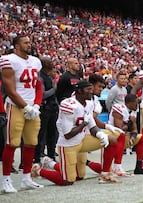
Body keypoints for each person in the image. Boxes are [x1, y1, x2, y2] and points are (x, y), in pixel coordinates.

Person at [31, 80, 120, 185]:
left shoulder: (89, 103)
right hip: (68, 144)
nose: (91, 92)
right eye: (88, 89)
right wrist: (84, 123)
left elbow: (92, 126)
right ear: (79, 91)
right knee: (68, 180)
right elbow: (68, 134)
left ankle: (105, 174)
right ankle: (39, 171)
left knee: (112, 140)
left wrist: (100, 134)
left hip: (82, 139)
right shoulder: (68, 104)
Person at [0, 35, 43, 193]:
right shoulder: (8, 60)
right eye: (25, 42)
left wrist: (37, 104)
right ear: (16, 46)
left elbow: (38, 85)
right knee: (12, 143)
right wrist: (26, 107)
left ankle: (26, 178)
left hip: (32, 107)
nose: (29, 44)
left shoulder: (35, 61)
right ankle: (6, 180)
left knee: (31, 143)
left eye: (29, 41)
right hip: (16, 107)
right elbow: (10, 90)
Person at [34, 57, 59, 164]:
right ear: (44, 64)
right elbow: (43, 95)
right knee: (42, 134)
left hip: (52, 108)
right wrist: (54, 89)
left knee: (52, 134)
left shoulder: (49, 76)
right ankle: (38, 157)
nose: (52, 63)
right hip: (44, 109)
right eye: (50, 62)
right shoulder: (40, 77)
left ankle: (51, 155)